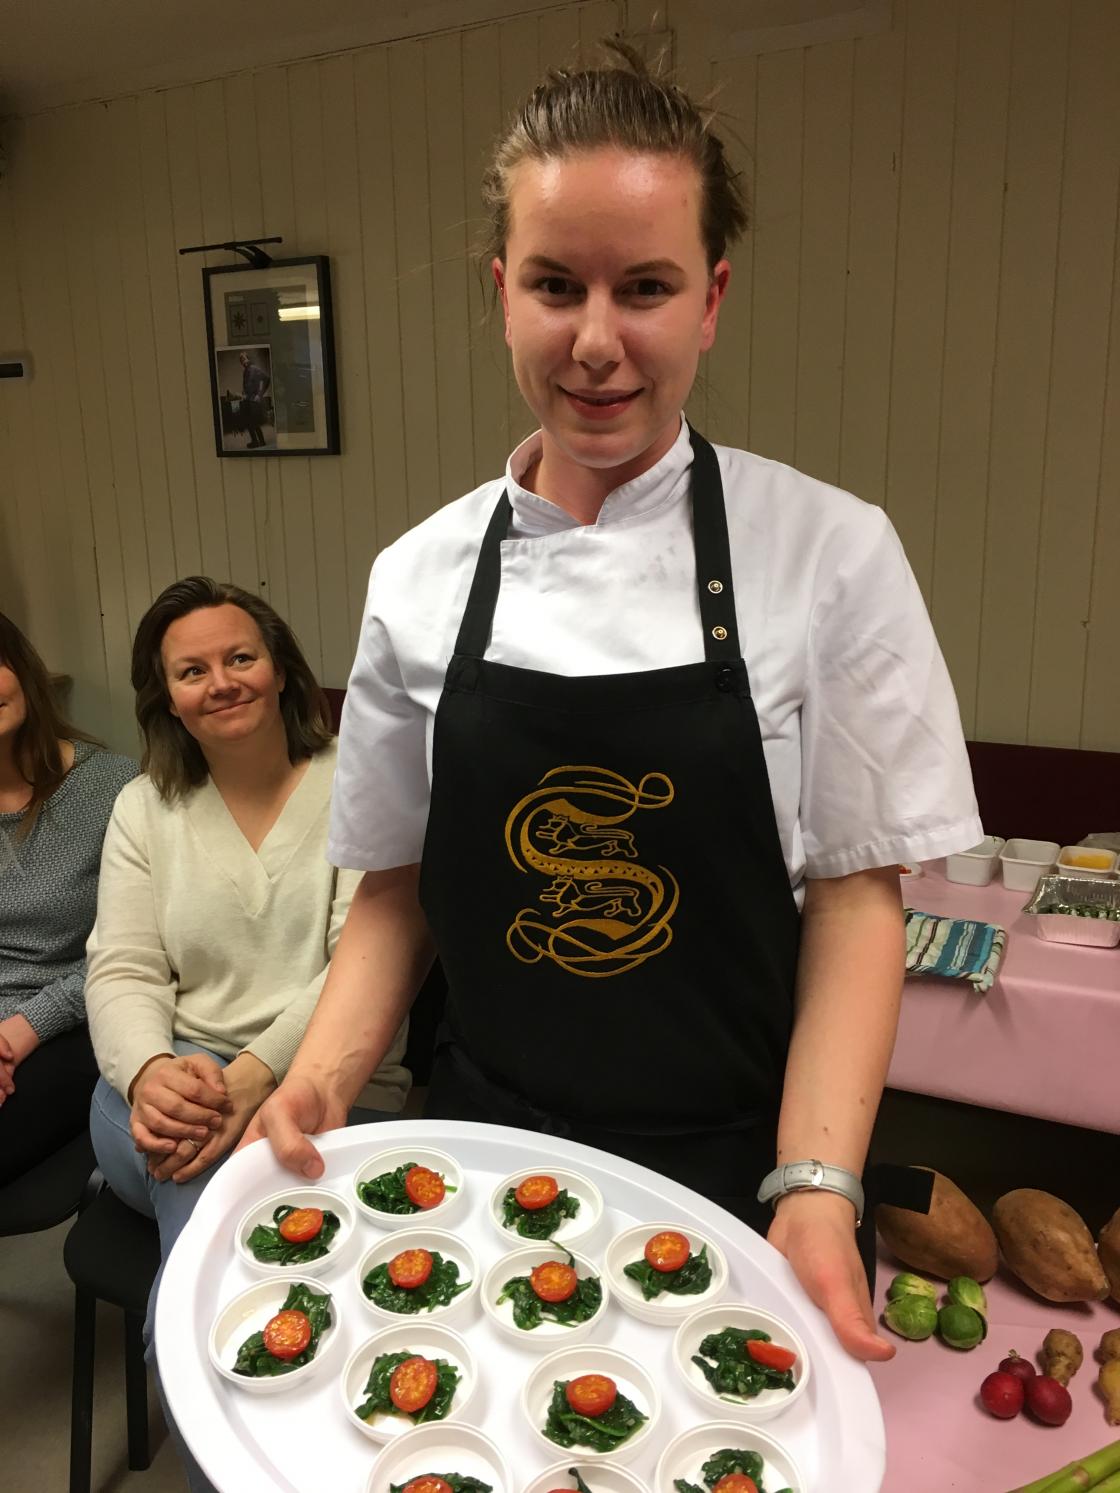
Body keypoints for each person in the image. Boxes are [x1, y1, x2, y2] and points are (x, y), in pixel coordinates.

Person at [244, 44, 982, 1363]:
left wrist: (817, 1183)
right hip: (473, 1167)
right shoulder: (417, 577)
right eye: (553, 285)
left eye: (644, 287)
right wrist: (320, 1079)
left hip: (733, 1179)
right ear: (502, 294)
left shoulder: (828, 552)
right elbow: (399, 891)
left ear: (712, 299)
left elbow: (862, 899)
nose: (595, 340)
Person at [85, 576, 408, 1322]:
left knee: (228, 1201)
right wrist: (150, 1073)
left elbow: (358, 965)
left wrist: (254, 1081)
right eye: (192, 671)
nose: (221, 683)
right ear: (166, 697)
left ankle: (192, 1371)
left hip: (332, 1084)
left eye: (240, 658)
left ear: (281, 668)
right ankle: (225, 1380)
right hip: (175, 1085)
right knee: (209, 1175)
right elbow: (124, 967)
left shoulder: (357, 784)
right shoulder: (142, 807)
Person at [0, 612, 136, 1185]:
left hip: (69, 1020)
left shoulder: (114, 788)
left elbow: (134, 950)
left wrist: (19, 1029)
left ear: (23, 668)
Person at [239, 350, 271, 448]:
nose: (243, 361)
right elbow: (249, 385)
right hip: (248, 399)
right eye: (241, 360)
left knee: (253, 423)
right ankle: (257, 441)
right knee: (251, 423)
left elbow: (266, 379)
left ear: (248, 358)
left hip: (254, 401)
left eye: (244, 358)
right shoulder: (246, 371)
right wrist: (243, 392)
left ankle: (259, 442)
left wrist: (259, 394)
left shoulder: (254, 368)